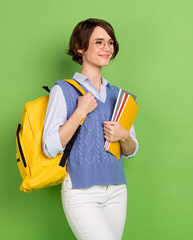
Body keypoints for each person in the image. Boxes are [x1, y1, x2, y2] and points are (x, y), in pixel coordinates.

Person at [42, 18, 139, 240]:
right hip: (81, 191)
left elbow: (131, 150)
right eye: (99, 42)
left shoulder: (118, 95)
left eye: (110, 42)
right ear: (80, 47)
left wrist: (124, 136)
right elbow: (49, 147)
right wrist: (80, 112)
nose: (107, 48)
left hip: (116, 190)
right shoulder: (63, 90)